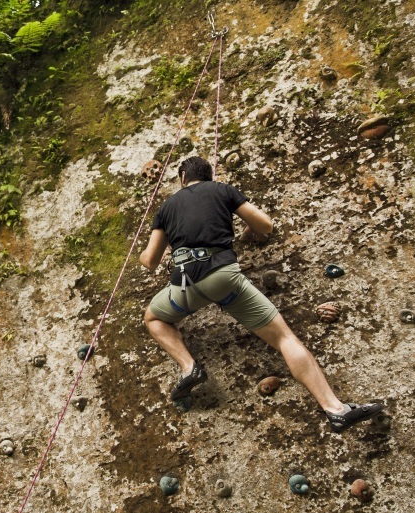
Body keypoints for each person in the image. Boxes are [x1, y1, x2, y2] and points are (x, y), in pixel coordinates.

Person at [138, 156, 384, 433]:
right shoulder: (223, 190)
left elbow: (150, 261)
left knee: (153, 319)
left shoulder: (167, 206)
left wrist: (142, 253)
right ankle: (335, 409)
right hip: (224, 279)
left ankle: (188, 366)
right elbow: (266, 225)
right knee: (284, 338)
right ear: (209, 175)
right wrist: (249, 229)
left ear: (183, 177)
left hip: (186, 287)